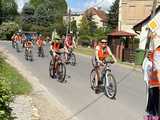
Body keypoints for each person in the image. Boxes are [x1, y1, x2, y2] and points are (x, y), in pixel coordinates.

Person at [144, 32, 160, 118]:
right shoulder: (156, 53)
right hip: (154, 85)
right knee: (154, 107)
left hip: (154, 84)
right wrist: (150, 39)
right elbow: (157, 70)